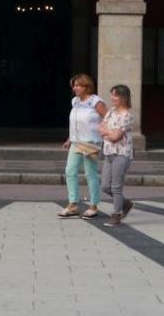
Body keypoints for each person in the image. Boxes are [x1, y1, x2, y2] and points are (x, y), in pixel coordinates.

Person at [58, 73, 107, 220]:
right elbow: (75, 122)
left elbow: (109, 117)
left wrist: (104, 134)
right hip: (76, 142)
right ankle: (73, 204)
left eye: (78, 85)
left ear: (86, 86)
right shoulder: (75, 101)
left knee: (90, 174)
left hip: (90, 142)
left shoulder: (95, 101)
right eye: (74, 85)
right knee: (70, 171)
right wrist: (69, 138)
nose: (75, 88)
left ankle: (93, 206)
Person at [98, 84, 135, 227]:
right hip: (108, 152)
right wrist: (109, 132)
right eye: (112, 95)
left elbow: (115, 136)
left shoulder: (127, 116)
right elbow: (100, 127)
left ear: (124, 97)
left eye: (115, 95)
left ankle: (116, 214)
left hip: (122, 154)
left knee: (116, 186)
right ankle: (125, 203)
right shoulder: (111, 112)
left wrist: (107, 132)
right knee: (105, 186)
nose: (112, 98)